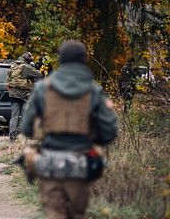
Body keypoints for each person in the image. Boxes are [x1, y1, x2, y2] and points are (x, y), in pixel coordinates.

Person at [20, 40, 118, 219]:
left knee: (54, 213)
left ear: (61, 60)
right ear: (84, 60)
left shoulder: (43, 88)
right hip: (80, 162)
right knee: (78, 213)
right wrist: (92, 139)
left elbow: (26, 127)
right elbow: (110, 131)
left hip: (50, 162)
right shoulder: (94, 91)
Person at [7, 52, 43, 142]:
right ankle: (23, 136)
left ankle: (12, 137)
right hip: (23, 95)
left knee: (14, 116)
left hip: (12, 94)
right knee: (24, 115)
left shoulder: (13, 65)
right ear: (28, 60)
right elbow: (40, 75)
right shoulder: (26, 67)